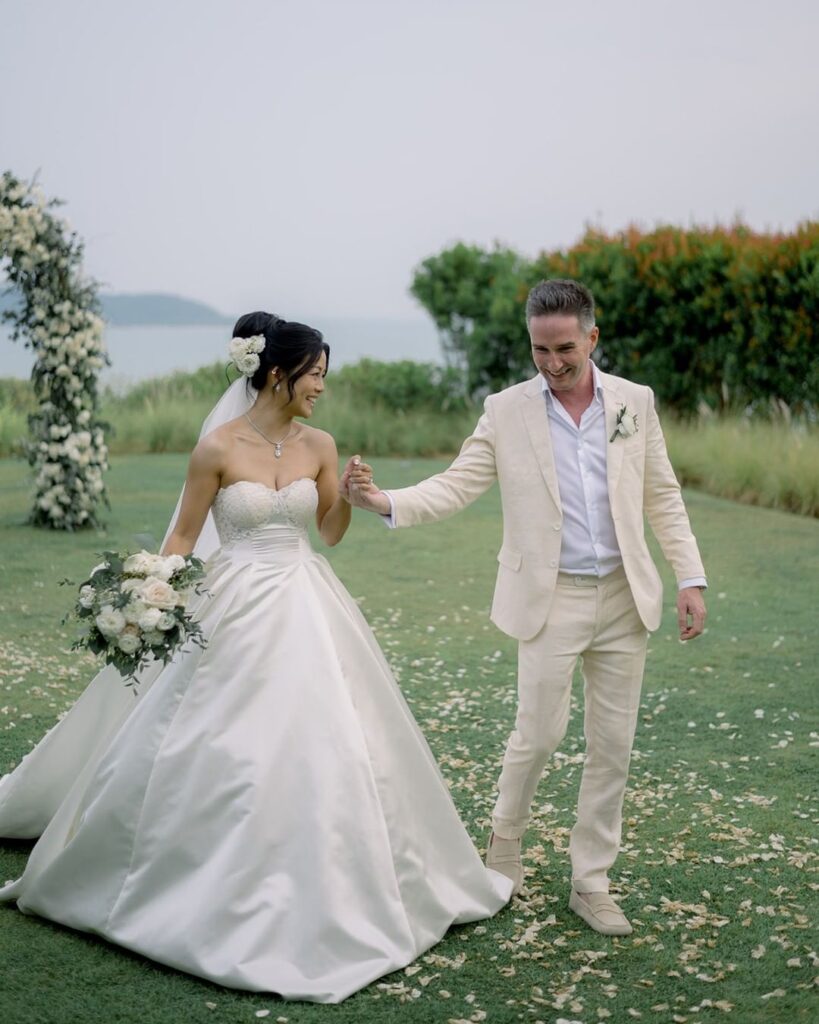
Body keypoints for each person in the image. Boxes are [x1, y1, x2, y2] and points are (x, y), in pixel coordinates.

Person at [0, 312, 511, 1003]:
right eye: (315, 375)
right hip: (231, 602)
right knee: (207, 735)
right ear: (277, 374)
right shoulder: (216, 448)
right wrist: (149, 598)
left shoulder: (321, 445)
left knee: (323, 732)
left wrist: (348, 494)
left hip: (303, 597)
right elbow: (183, 538)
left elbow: (328, 532)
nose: (321, 387)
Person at [344, 279, 707, 937]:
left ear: (592, 337)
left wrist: (690, 576)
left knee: (612, 746)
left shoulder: (634, 402)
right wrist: (383, 501)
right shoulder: (505, 409)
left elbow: (661, 493)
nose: (552, 362)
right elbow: (456, 485)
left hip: (625, 598)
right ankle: (504, 846)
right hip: (549, 597)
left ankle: (590, 882)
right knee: (537, 735)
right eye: (540, 349)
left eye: (564, 348)